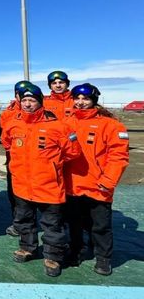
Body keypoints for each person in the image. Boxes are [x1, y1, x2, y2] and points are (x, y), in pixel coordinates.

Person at [2, 83, 81, 277]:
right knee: (24, 220)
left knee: (52, 224)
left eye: (32, 100)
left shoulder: (58, 126)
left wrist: (52, 165)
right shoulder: (13, 123)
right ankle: (27, 247)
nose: (28, 104)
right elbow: (6, 142)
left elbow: (73, 152)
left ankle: (53, 256)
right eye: (25, 100)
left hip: (49, 186)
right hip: (21, 185)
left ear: (40, 102)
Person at [63, 83, 129, 276]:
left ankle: (103, 258)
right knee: (73, 222)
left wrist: (108, 181)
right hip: (72, 185)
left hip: (98, 186)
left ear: (94, 100)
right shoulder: (66, 123)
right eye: (77, 98)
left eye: (85, 99)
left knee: (100, 225)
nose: (81, 102)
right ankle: (75, 250)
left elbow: (119, 157)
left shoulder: (111, 125)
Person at [0, 80, 32, 237]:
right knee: (15, 192)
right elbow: (5, 137)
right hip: (15, 160)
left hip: (38, 162)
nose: (26, 101)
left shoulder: (42, 111)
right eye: (22, 95)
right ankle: (18, 221)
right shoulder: (8, 114)